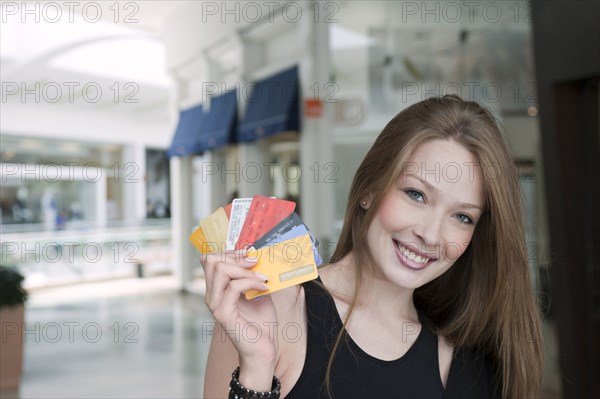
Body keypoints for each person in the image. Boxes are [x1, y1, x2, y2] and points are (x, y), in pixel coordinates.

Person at [201, 95, 544, 398]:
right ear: (368, 189)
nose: (430, 234)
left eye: (462, 217)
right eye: (416, 194)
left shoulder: (462, 361)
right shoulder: (272, 309)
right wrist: (257, 367)